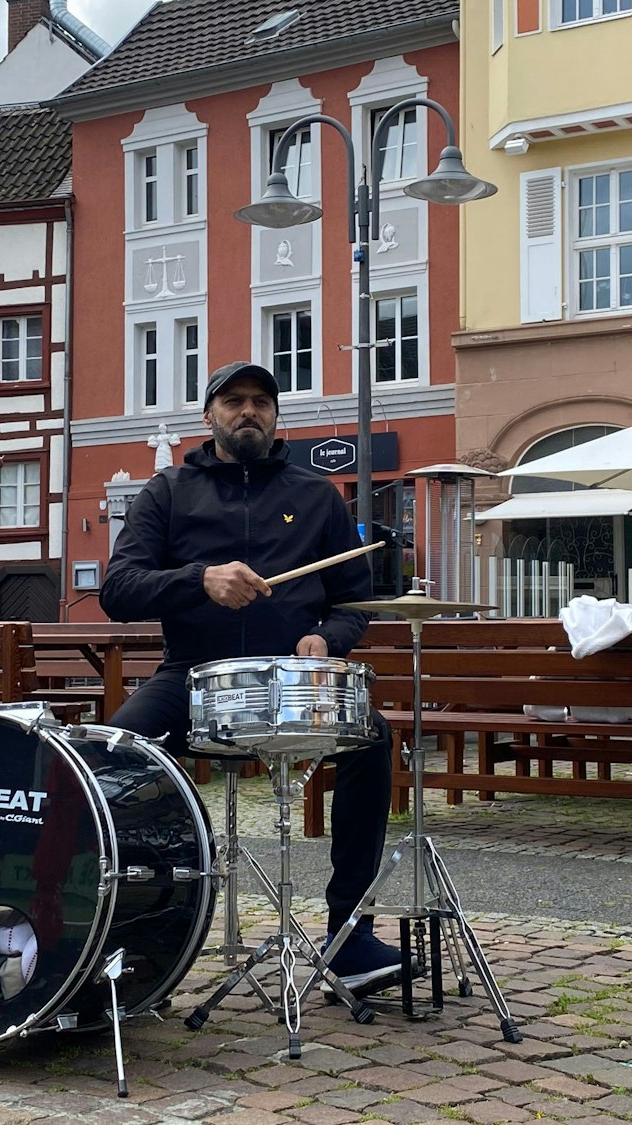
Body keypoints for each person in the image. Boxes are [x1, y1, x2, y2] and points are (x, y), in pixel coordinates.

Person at [100, 361, 405, 994]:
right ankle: (117, 934)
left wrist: (330, 640)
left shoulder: (317, 495)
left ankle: (350, 934)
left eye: (261, 402)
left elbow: (354, 602)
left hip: (295, 680)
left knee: (374, 740)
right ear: (208, 414)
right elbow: (118, 590)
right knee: (109, 759)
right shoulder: (168, 491)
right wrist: (199, 580)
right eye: (234, 401)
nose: (249, 412)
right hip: (193, 677)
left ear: (275, 415)